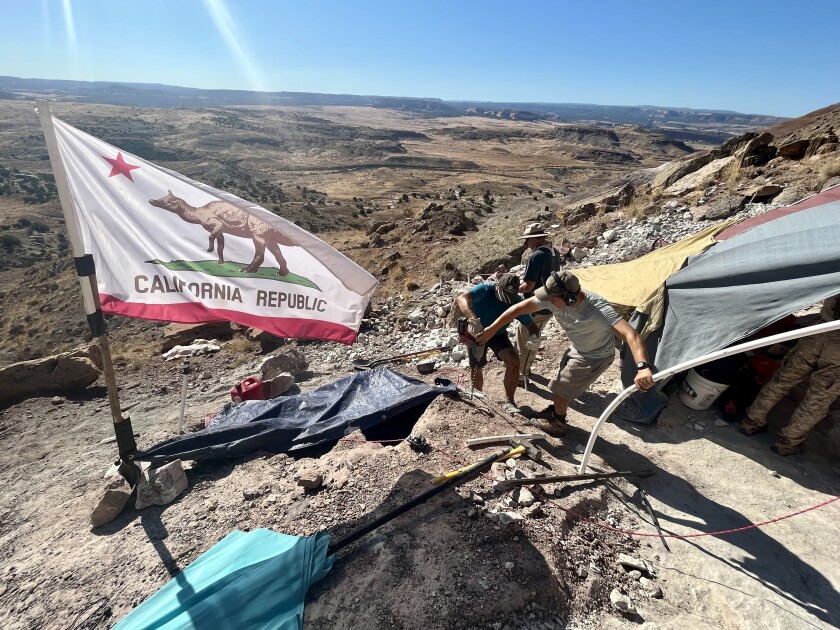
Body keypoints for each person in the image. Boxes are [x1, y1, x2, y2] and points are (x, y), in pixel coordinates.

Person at [476, 271, 655, 435]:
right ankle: (556, 411)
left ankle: (558, 423)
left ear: (570, 298)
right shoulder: (553, 298)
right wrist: (492, 329)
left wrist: (642, 367)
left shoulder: (598, 308)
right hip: (577, 348)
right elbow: (517, 309)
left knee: (561, 389)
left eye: (552, 298)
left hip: (595, 356)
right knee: (562, 383)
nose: (548, 302)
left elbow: (631, 335)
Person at [741, 294, 840, 455]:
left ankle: (752, 420)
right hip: (836, 348)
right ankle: (788, 441)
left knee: (784, 378)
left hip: (819, 331)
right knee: (820, 395)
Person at [455, 273, 540, 415]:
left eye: (509, 298)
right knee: (477, 366)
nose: (506, 301)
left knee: (513, 362)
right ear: (498, 286)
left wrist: (535, 336)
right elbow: (462, 298)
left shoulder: (516, 301)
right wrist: (473, 319)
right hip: (478, 332)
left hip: (498, 334)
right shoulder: (485, 290)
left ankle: (510, 401)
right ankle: (478, 399)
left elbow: (530, 324)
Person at [514, 222, 563, 379]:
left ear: (535, 239)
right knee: (525, 337)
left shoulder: (536, 256)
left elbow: (528, 286)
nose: (526, 244)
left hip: (537, 306)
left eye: (527, 240)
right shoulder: (554, 252)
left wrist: (510, 288)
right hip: (548, 303)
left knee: (527, 342)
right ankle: (522, 369)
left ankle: (522, 375)